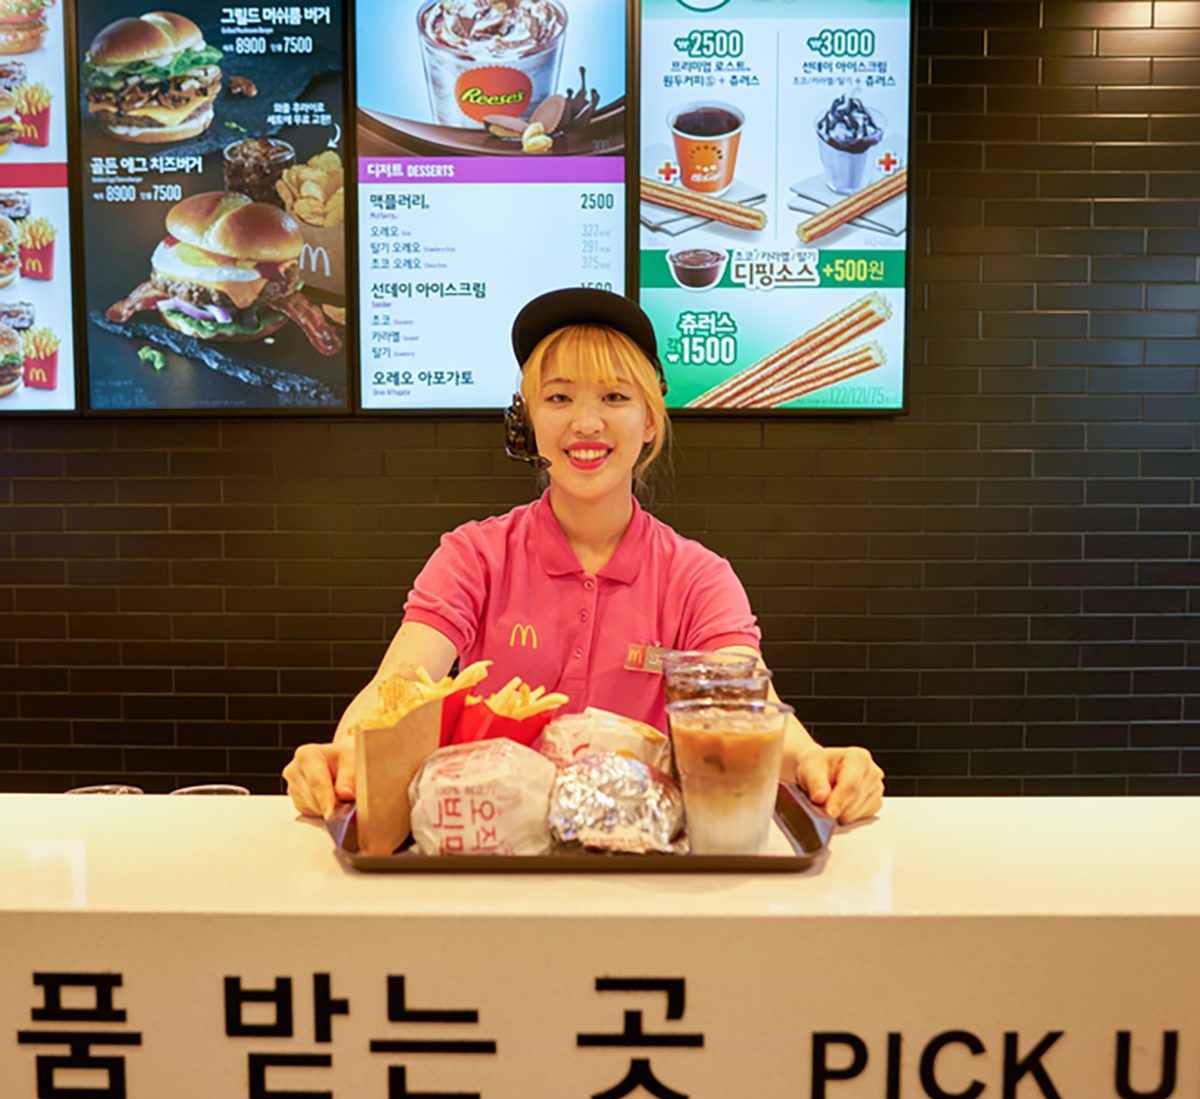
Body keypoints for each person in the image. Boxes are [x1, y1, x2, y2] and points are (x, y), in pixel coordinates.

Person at [285, 288, 884, 824]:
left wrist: (815, 760)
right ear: (527, 421)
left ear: (650, 420)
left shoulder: (697, 576)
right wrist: (343, 753)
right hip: (486, 856)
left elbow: (746, 706)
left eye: (615, 396)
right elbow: (399, 686)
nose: (587, 422)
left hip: (642, 861)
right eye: (559, 397)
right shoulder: (473, 555)